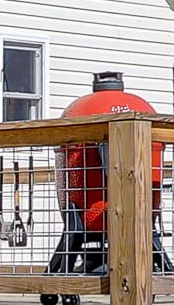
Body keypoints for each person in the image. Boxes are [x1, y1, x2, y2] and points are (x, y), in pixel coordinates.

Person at [48, 72, 158, 290]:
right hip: (134, 210)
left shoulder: (80, 110)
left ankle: (66, 284)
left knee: (86, 222)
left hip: (85, 211)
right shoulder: (139, 106)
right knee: (133, 219)